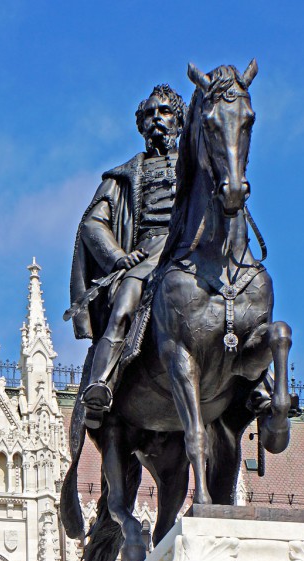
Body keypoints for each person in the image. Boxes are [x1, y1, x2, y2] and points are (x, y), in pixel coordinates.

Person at [68, 85, 186, 428]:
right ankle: (100, 384)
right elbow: (93, 223)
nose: (156, 120)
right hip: (147, 255)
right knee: (122, 309)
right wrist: (118, 257)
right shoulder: (123, 177)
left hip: (190, 252)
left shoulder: (198, 170)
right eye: (149, 114)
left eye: (164, 113)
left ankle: (259, 384)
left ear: (179, 121)